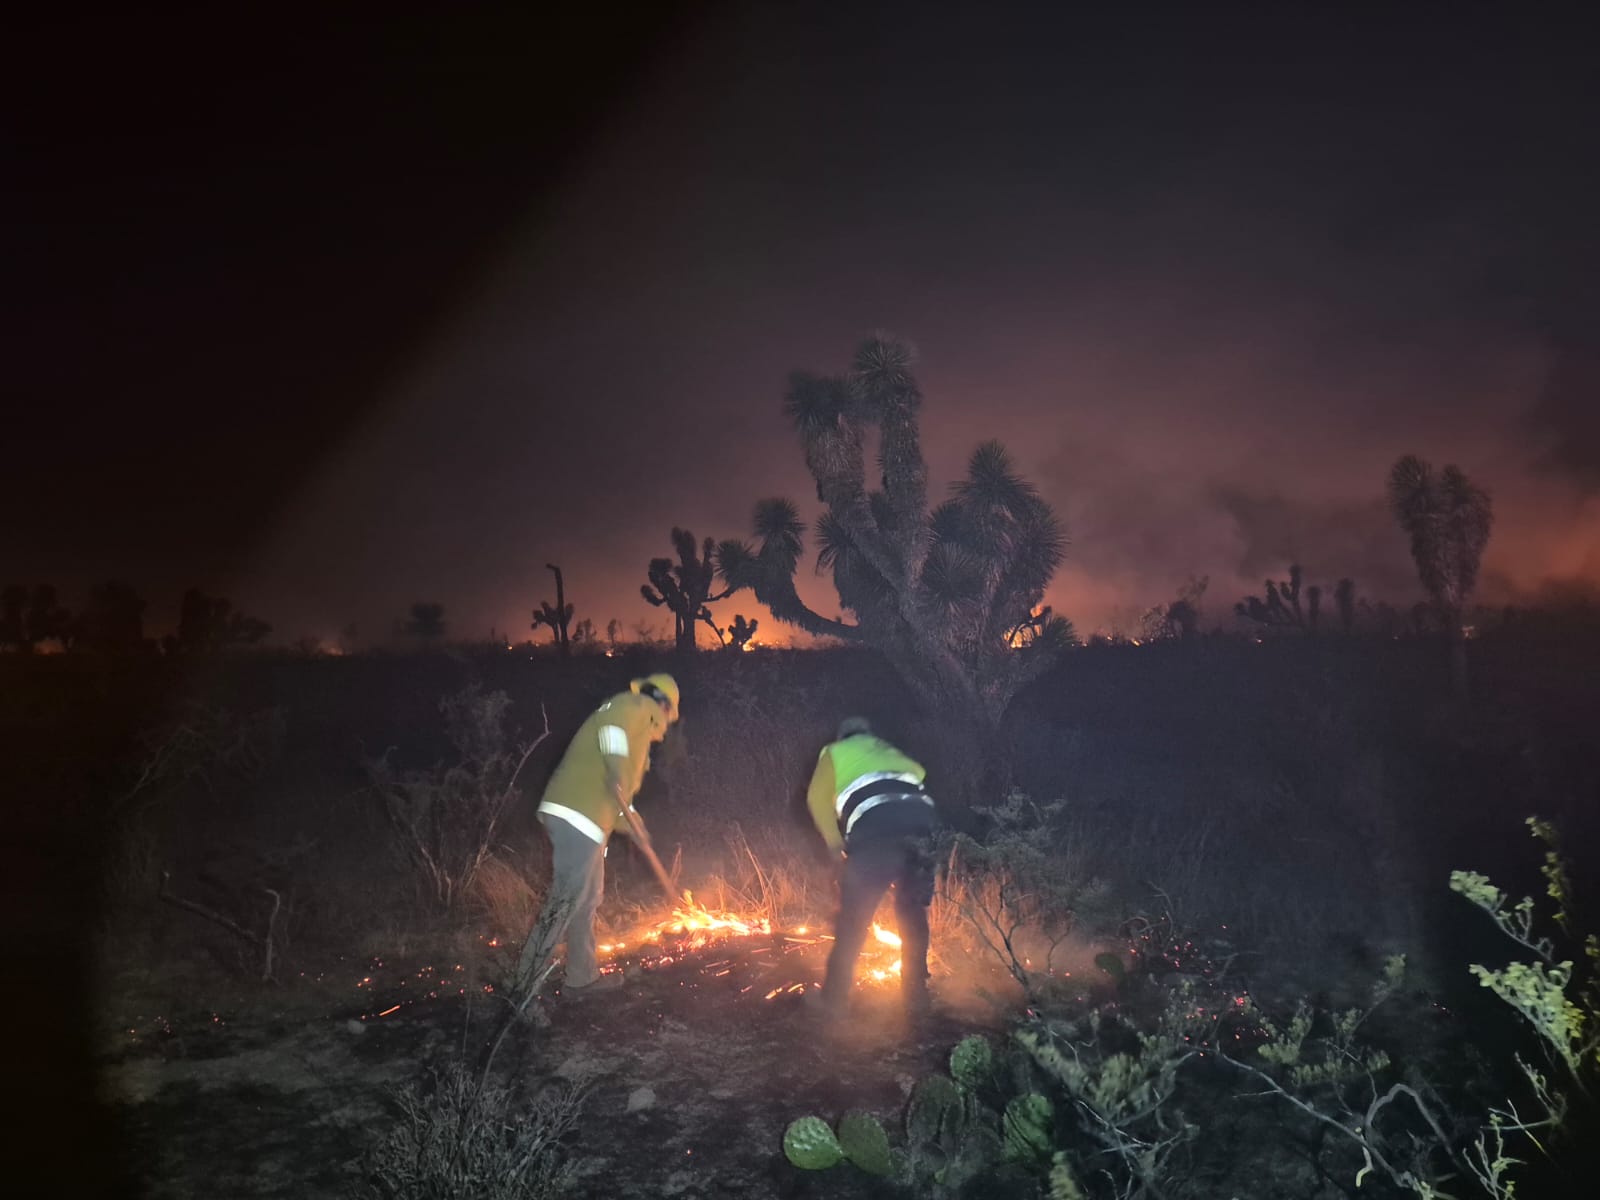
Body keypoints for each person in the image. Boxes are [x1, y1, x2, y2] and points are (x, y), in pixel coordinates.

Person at [516, 673, 680, 995]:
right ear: (663, 704)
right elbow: (612, 733)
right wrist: (616, 767)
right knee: (566, 899)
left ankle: (581, 978)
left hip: (591, 820)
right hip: (576, 811)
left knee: (587, 898)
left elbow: (620, 797)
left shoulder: (639, 737)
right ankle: (522, 986)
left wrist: (633, 824)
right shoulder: (631, 706)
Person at [806, 716, 939, 1017]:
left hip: (877, 834)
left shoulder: (836, 752)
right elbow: (918, 777)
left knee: (854, 919)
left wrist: (835, 846)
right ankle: (916, 998)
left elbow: (816, 799)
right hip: (924, 834)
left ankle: (833, 1002)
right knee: (912, 913)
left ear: (844, 737)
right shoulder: (892, 753)